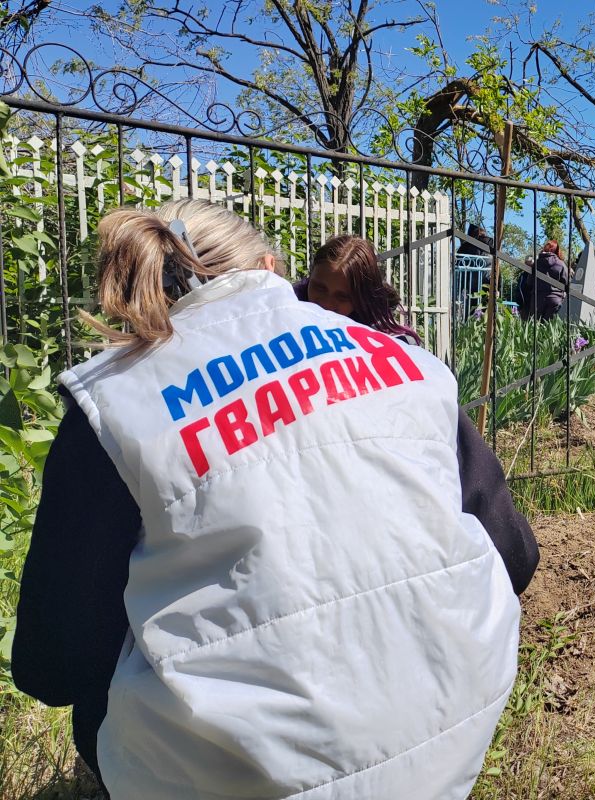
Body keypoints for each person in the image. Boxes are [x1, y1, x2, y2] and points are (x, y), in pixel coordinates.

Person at [13, 198, 538, 800]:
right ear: (268, 267)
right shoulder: (403, 360)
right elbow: (515, 556)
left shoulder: (115, 402)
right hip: (452, 738)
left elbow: (53, 666)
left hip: (227, 779)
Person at [294, 234, 422, 345]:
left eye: (342, 297)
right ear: (310, 279)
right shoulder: (284, 320)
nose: (326, 304)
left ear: (363, 298)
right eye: (319, 288)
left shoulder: (392, 344)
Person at [519, 240, 568, 322]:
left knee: (536, 329)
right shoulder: (561, 264)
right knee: (551, 330)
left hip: (537, 300)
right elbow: (566, 283)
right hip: (555, 299)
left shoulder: (536, 264)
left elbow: (529, 282)